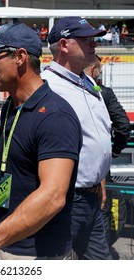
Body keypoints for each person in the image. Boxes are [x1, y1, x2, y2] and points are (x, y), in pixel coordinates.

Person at [0, 23, 82, 260]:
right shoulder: (11, 106)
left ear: (20, 57)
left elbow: (52, 196)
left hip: (37, 254)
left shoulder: (55, 116)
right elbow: (5, 163)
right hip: (4, 239)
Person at [41, 16, 113, 260]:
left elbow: (97, 137)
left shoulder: (88, 80)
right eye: (87, 39)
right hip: (67, 200)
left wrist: (100, 182)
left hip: (93, 197)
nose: (94, 44)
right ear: (63, 45)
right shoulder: (46, 85)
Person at [84, 55, 131, 251]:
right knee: (100, 216)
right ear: (94, 69)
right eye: (100, 70)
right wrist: (113, 151)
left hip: (66, 170)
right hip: (98, 173)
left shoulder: (63, 90)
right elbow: (123, 126)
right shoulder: (104, 93)